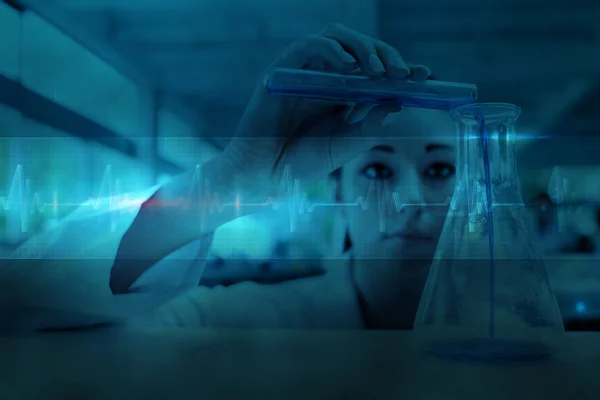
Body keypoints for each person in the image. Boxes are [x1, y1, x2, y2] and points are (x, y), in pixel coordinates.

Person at [3, 24, 457, 332]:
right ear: (338, 191)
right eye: (377, 170)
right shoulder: (243, 324)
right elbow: (21, 318)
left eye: (440, 170)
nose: (409, 199)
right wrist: (233, 178)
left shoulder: (519, 334)